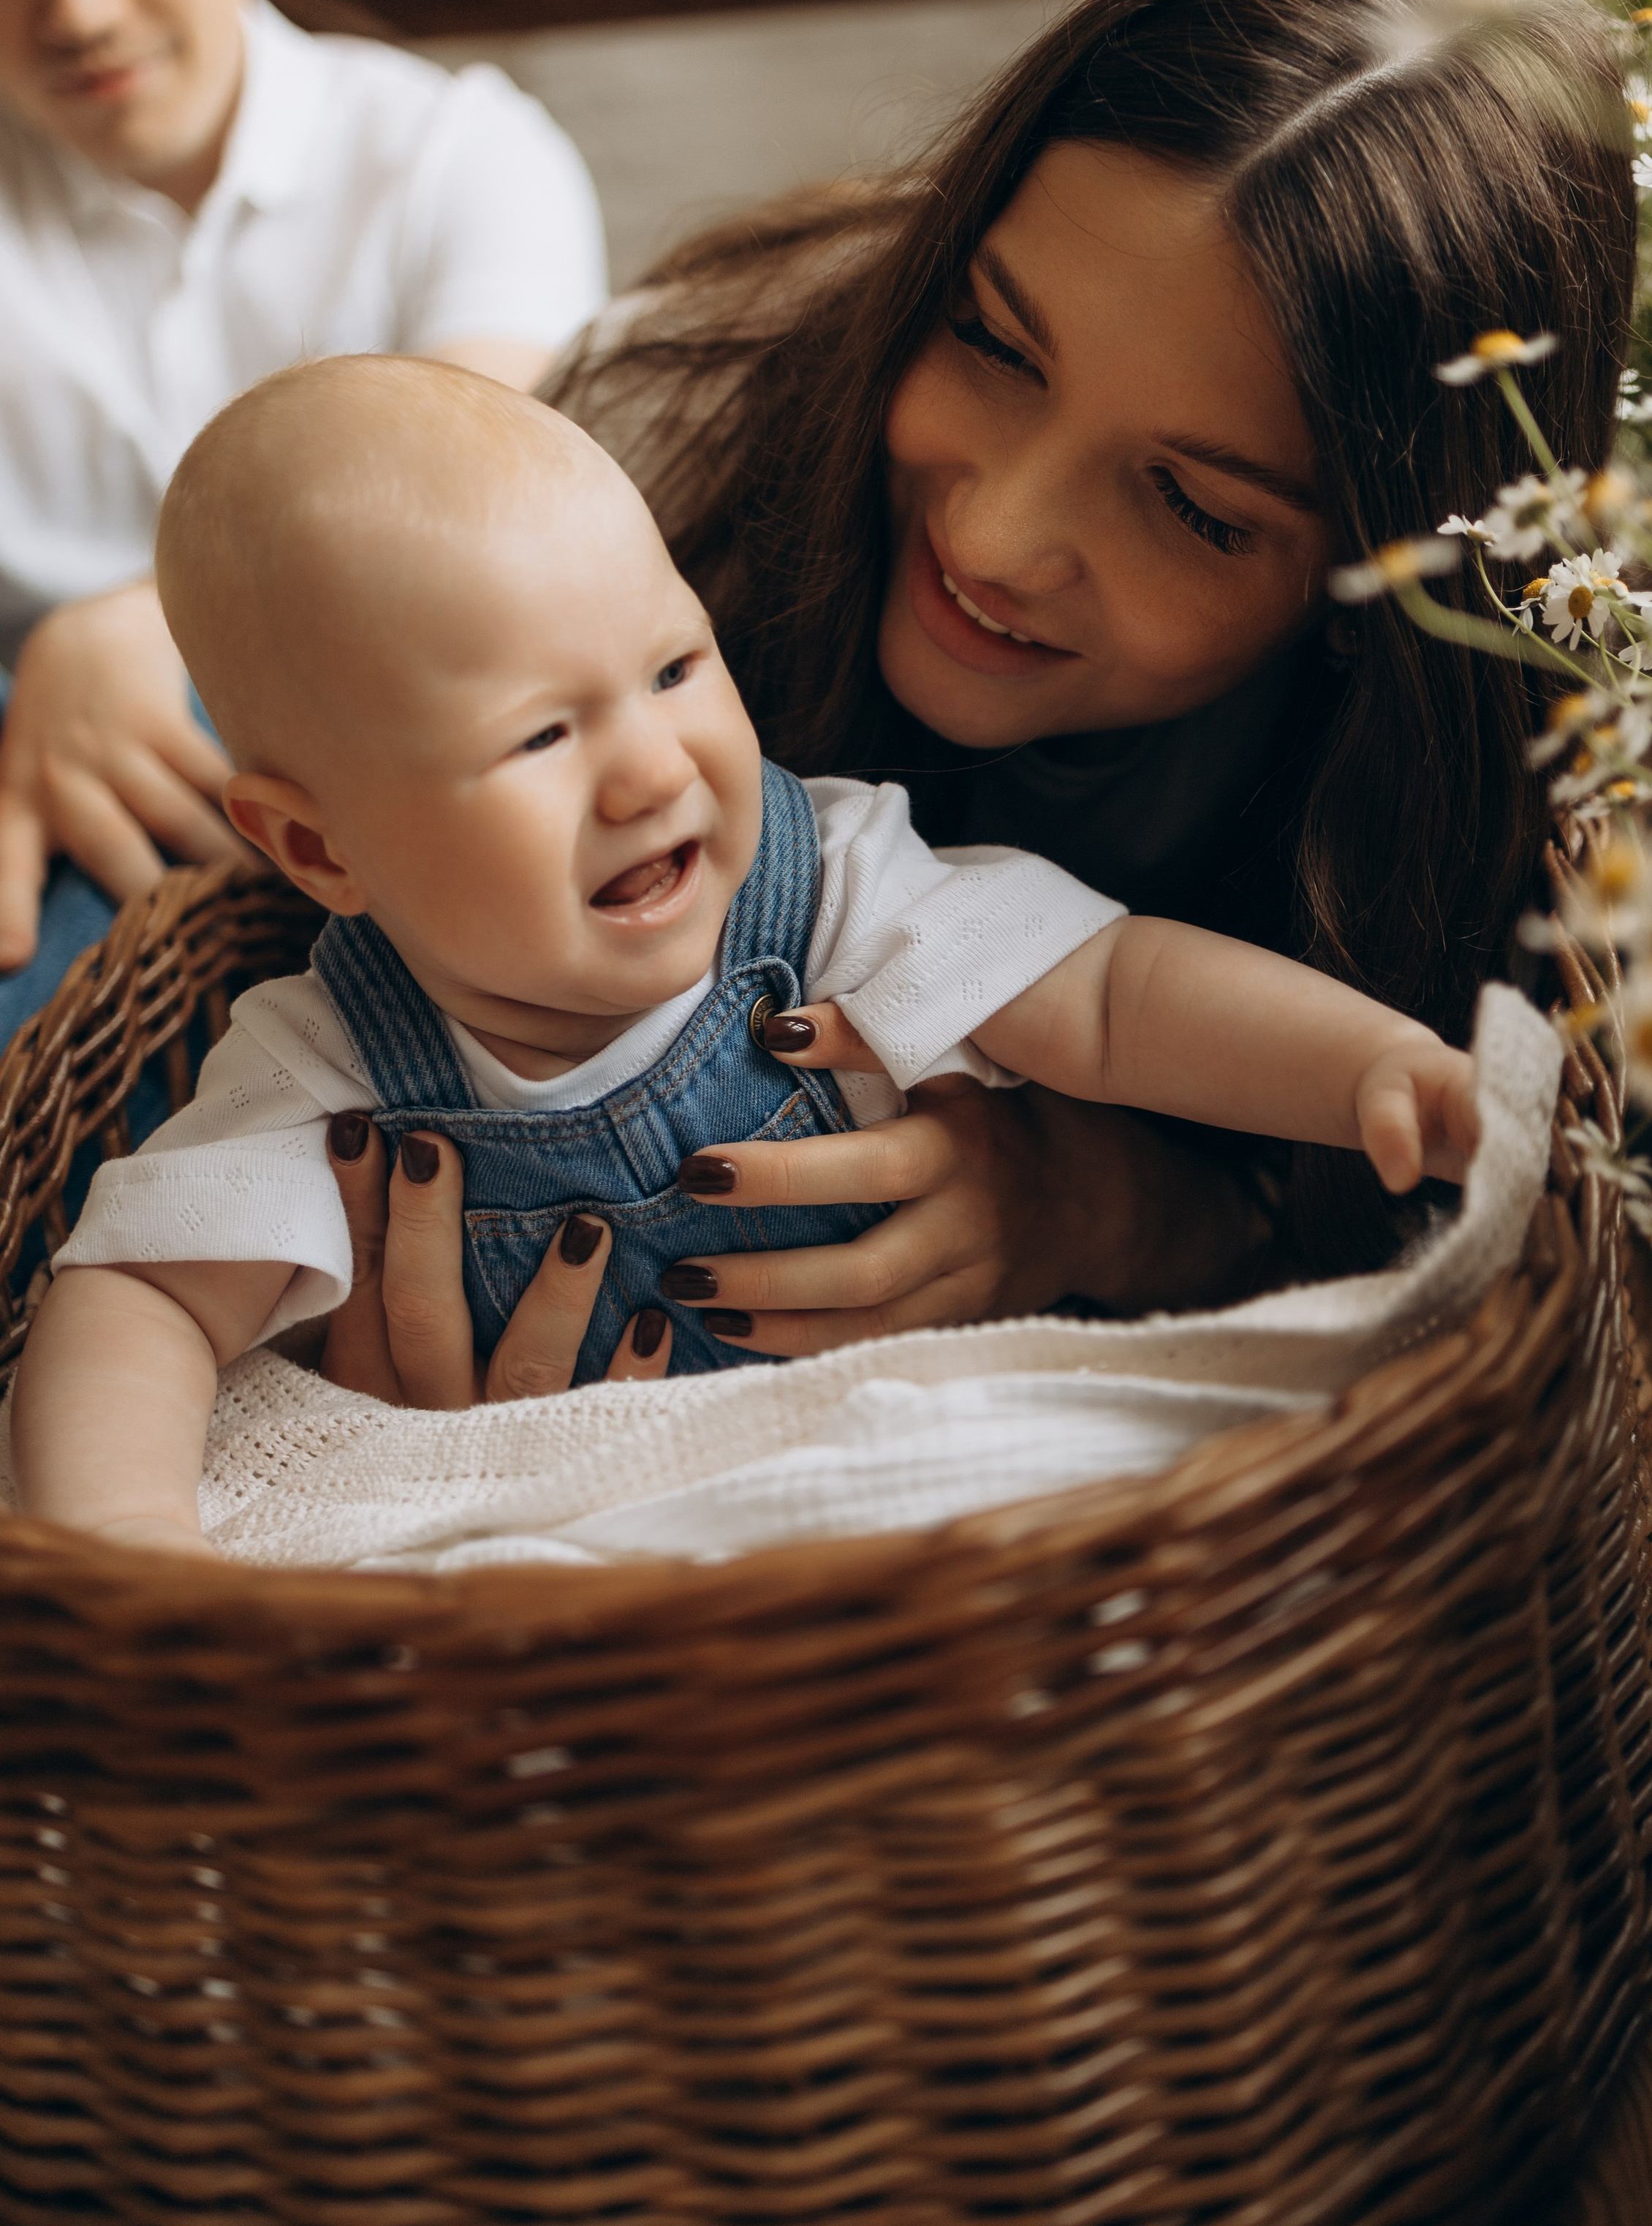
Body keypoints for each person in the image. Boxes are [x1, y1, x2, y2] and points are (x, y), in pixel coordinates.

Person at [300, 0, 1637, 1409]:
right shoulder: (669, 442)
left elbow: (1476, 1246)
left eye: (1192, 506)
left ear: (1383, 583)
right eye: (991, 344)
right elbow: (321, 637)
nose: (996, 534)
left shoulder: (1520, 784)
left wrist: (1119, 1207)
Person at [12, 357, 1477, 1550]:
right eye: (538, 735)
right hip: (589, 1574)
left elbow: (1107, 996)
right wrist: (129, 1546)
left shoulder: (829, 887)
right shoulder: (322, 1065)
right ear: (321, 852)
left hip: (906, 1492)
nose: (649, 770)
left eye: (671, 668)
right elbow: (133, 1297)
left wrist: (1369, 1067)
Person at [0, 0, 607, 1036]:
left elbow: (472, 539)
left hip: (394, 787)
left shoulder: (463, 157)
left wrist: (137, 628)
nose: (77, 7)